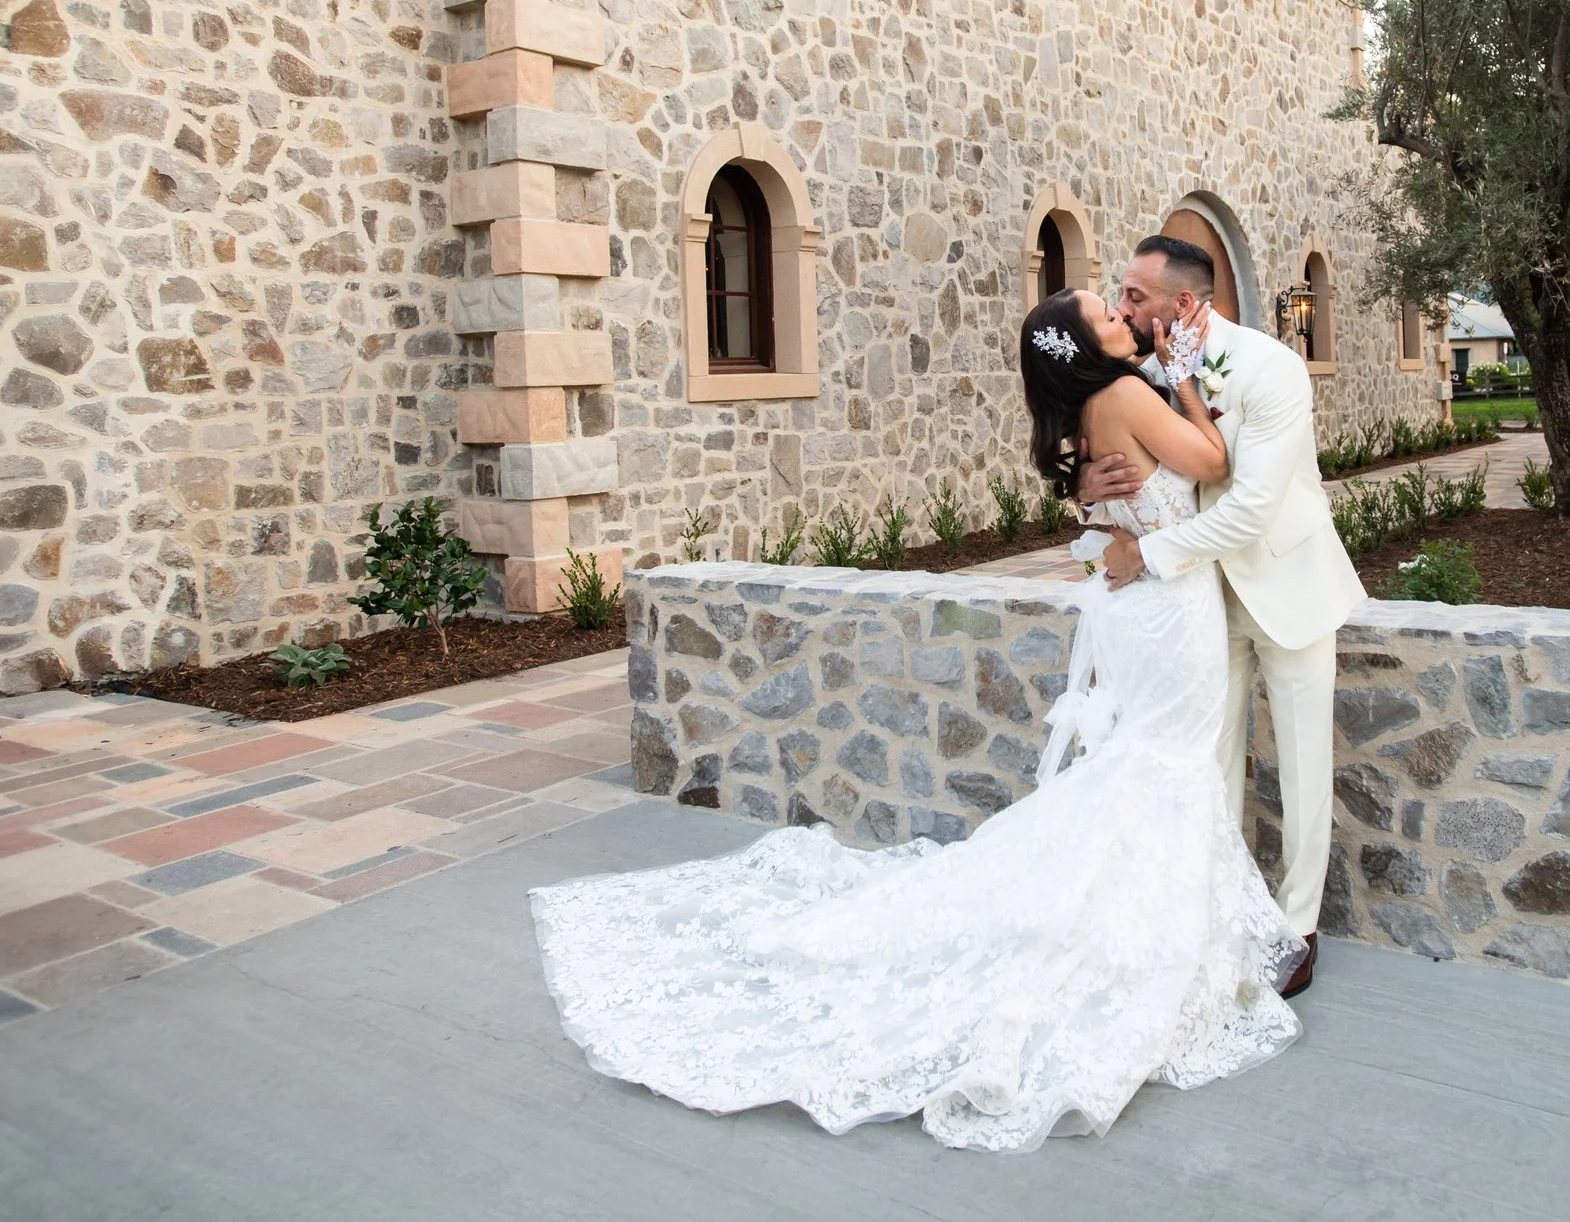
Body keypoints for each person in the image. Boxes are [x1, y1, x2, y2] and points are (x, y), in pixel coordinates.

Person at [528, 285, 1304, 1151]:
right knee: (1160, 765)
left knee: (1148, 764)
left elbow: (1113, 504)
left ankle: (1138, 932)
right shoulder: (1124, 395)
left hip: (1141, 607)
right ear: (1085, 346)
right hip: (1165, 610)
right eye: (1108, 315)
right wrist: (1188, 378)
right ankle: (1132, 946)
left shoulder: (1091, 411)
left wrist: (1115, 466)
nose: (1126, 319)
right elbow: (1210, 464)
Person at [1077, 235, 1365, 999]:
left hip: (1285, 586)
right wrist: (1083, 485)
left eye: (1135, 295)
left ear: (1182, 302)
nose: (1123, 305)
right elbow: (1118, 469)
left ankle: (1297, 927)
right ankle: (1212, 910)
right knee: (1208, 763)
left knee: (1303, 767)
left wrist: (1150, 555)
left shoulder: (1271, 368)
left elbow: (1247, 511)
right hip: (1200, 606)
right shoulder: (1137, 377)